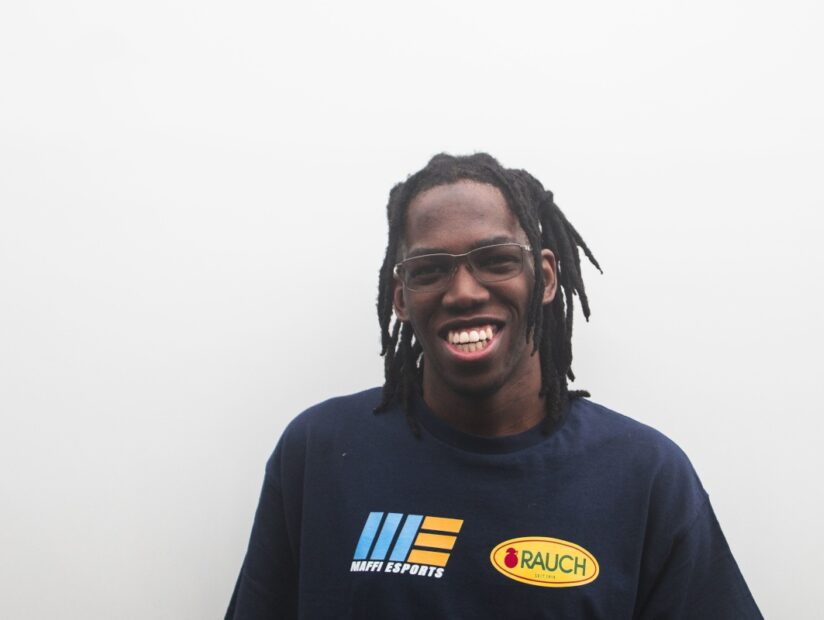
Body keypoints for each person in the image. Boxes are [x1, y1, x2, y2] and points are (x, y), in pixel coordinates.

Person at [225, 153, 763, 619]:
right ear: (400, 297)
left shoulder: (645, 476)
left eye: (496, 261)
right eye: (430, 269)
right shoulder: (319, 454)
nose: (463, 292)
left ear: (546, 278)